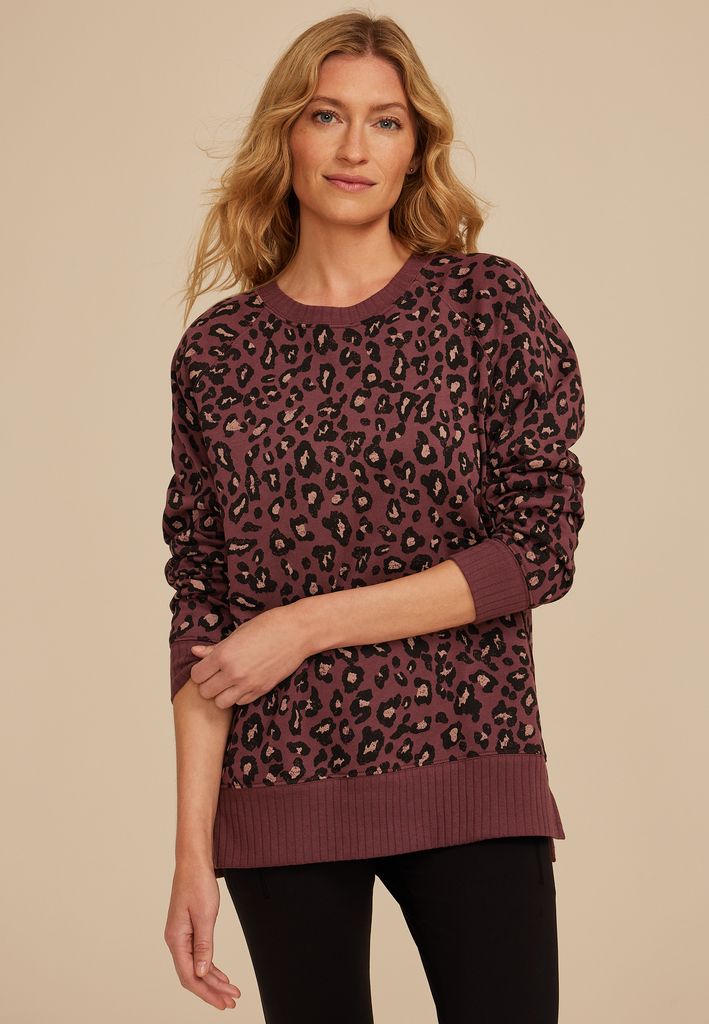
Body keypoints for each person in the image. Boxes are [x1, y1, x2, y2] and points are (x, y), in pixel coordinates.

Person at [161, 11, 586, 1024]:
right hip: (278, 789)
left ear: (414, 148)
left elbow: (538, 549)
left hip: (469, 764)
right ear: (285, 135)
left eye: (384, 121)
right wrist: (190, 851)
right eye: (326, 115)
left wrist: (305, 624)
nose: (354, 146)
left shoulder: (484, 305)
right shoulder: (217, 353)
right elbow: (201, 606)